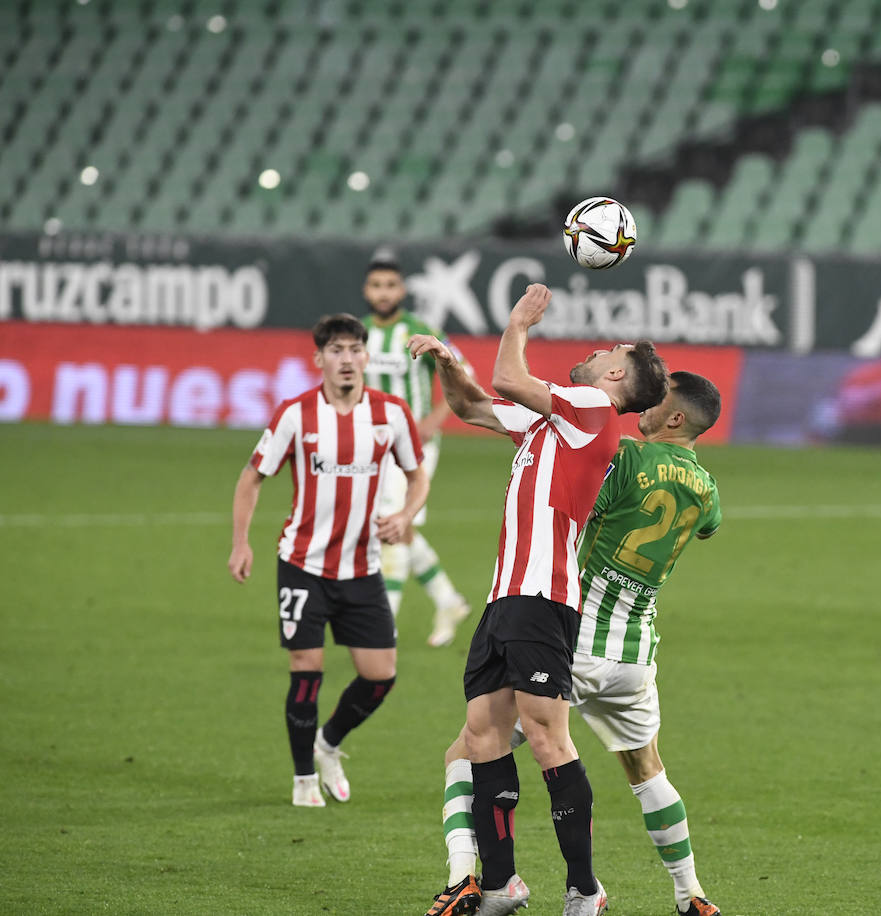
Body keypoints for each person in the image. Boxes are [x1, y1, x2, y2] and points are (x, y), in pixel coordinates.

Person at [407, 283, 669, 916]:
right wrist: (449, 365)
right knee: (482, 734)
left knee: (548, 739)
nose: (594, 351)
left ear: (614, 375)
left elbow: (508, 374)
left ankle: (585, 888)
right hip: (506, 596)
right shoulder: (563, 420)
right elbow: (476, 406)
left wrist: (518, 322)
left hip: (543, 595)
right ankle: (501, 885)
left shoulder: (591, 408)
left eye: (607, 350)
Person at [435, 372, 726, 916]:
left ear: (676, 417)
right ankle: (692, 895)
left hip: (572, 640)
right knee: (648, 770)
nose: (648, 402)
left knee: (471, 747)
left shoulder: (627, 459)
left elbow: (579, 485)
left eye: (659, 398)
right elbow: (708, 525)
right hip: (635, 653)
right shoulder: (707, 489)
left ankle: (471, 878)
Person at [228, 314, 429, 806]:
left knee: (381, 675)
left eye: (354, 349)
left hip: (362, 567)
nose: (346, 359)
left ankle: (329, 743)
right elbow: (252, 477)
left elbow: (418, 475)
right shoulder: (296, 415)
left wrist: (405, 515)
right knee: (306, 668)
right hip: (303, 564)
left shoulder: (391, 414)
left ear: (366, 357)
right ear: (318, 359)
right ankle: (302, 778)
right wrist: (241, 542)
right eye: (335, 350)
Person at [361, 247, 473, 648]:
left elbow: (463, 372)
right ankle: (448, 600)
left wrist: (434, 418)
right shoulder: (359, 334)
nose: (384, 292)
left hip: (413, 445)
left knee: (389, 524)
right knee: (399, 526)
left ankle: (382, 623)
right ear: (366, 290)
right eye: (377, 285)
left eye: (391, 284)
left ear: (402, 288)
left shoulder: (421, 330)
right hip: (370, 445)